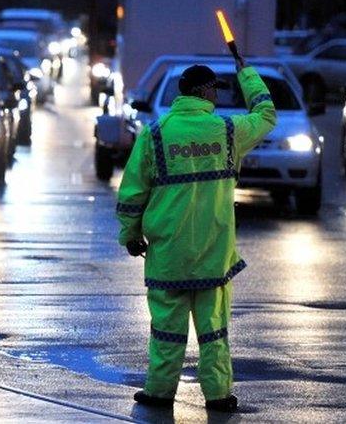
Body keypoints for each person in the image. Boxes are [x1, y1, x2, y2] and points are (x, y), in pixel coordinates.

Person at [115, 56, 276, 413]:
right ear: (204, 92)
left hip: (168, 255)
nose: (216, 96)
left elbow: (132, 192)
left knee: (167, 331)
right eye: (214, 90)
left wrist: (130, 234)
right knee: (214, 332)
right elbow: (267, 115)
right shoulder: (228, 131)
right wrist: (246, 74)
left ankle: (159, 392)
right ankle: (218, 396)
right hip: (212, 254)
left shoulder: (155, 134)